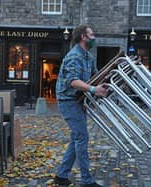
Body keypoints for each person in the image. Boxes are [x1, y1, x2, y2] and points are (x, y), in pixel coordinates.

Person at [54, 25, 107, 187]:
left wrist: (105, 84)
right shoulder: (74, 57)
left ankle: (61, 175)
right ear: (83, 37)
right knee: (82, 137)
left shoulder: (88, 57)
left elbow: (95, 77)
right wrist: (92, 89)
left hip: (78, 100)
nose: (94, 37)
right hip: (68, 100)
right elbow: (73, 81)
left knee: (76, 137)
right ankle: (86, 180)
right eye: (92, 34)